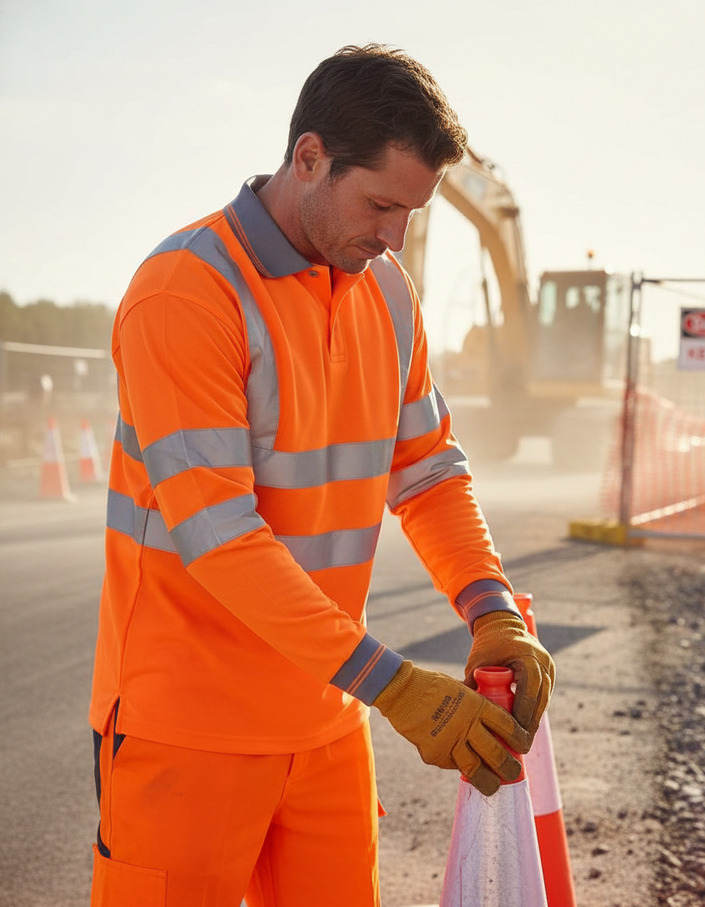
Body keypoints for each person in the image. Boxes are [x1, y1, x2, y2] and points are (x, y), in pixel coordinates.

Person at [89, 43, 555, 907]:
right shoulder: (186, 293)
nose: (393, 238)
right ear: (308, 157)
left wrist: (490, 608)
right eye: (380, 203)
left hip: (325, 720)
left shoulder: (387, 291)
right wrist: (397, 686)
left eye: (410, 213)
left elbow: (427, 471)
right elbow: (221, 538)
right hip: (188, 730)